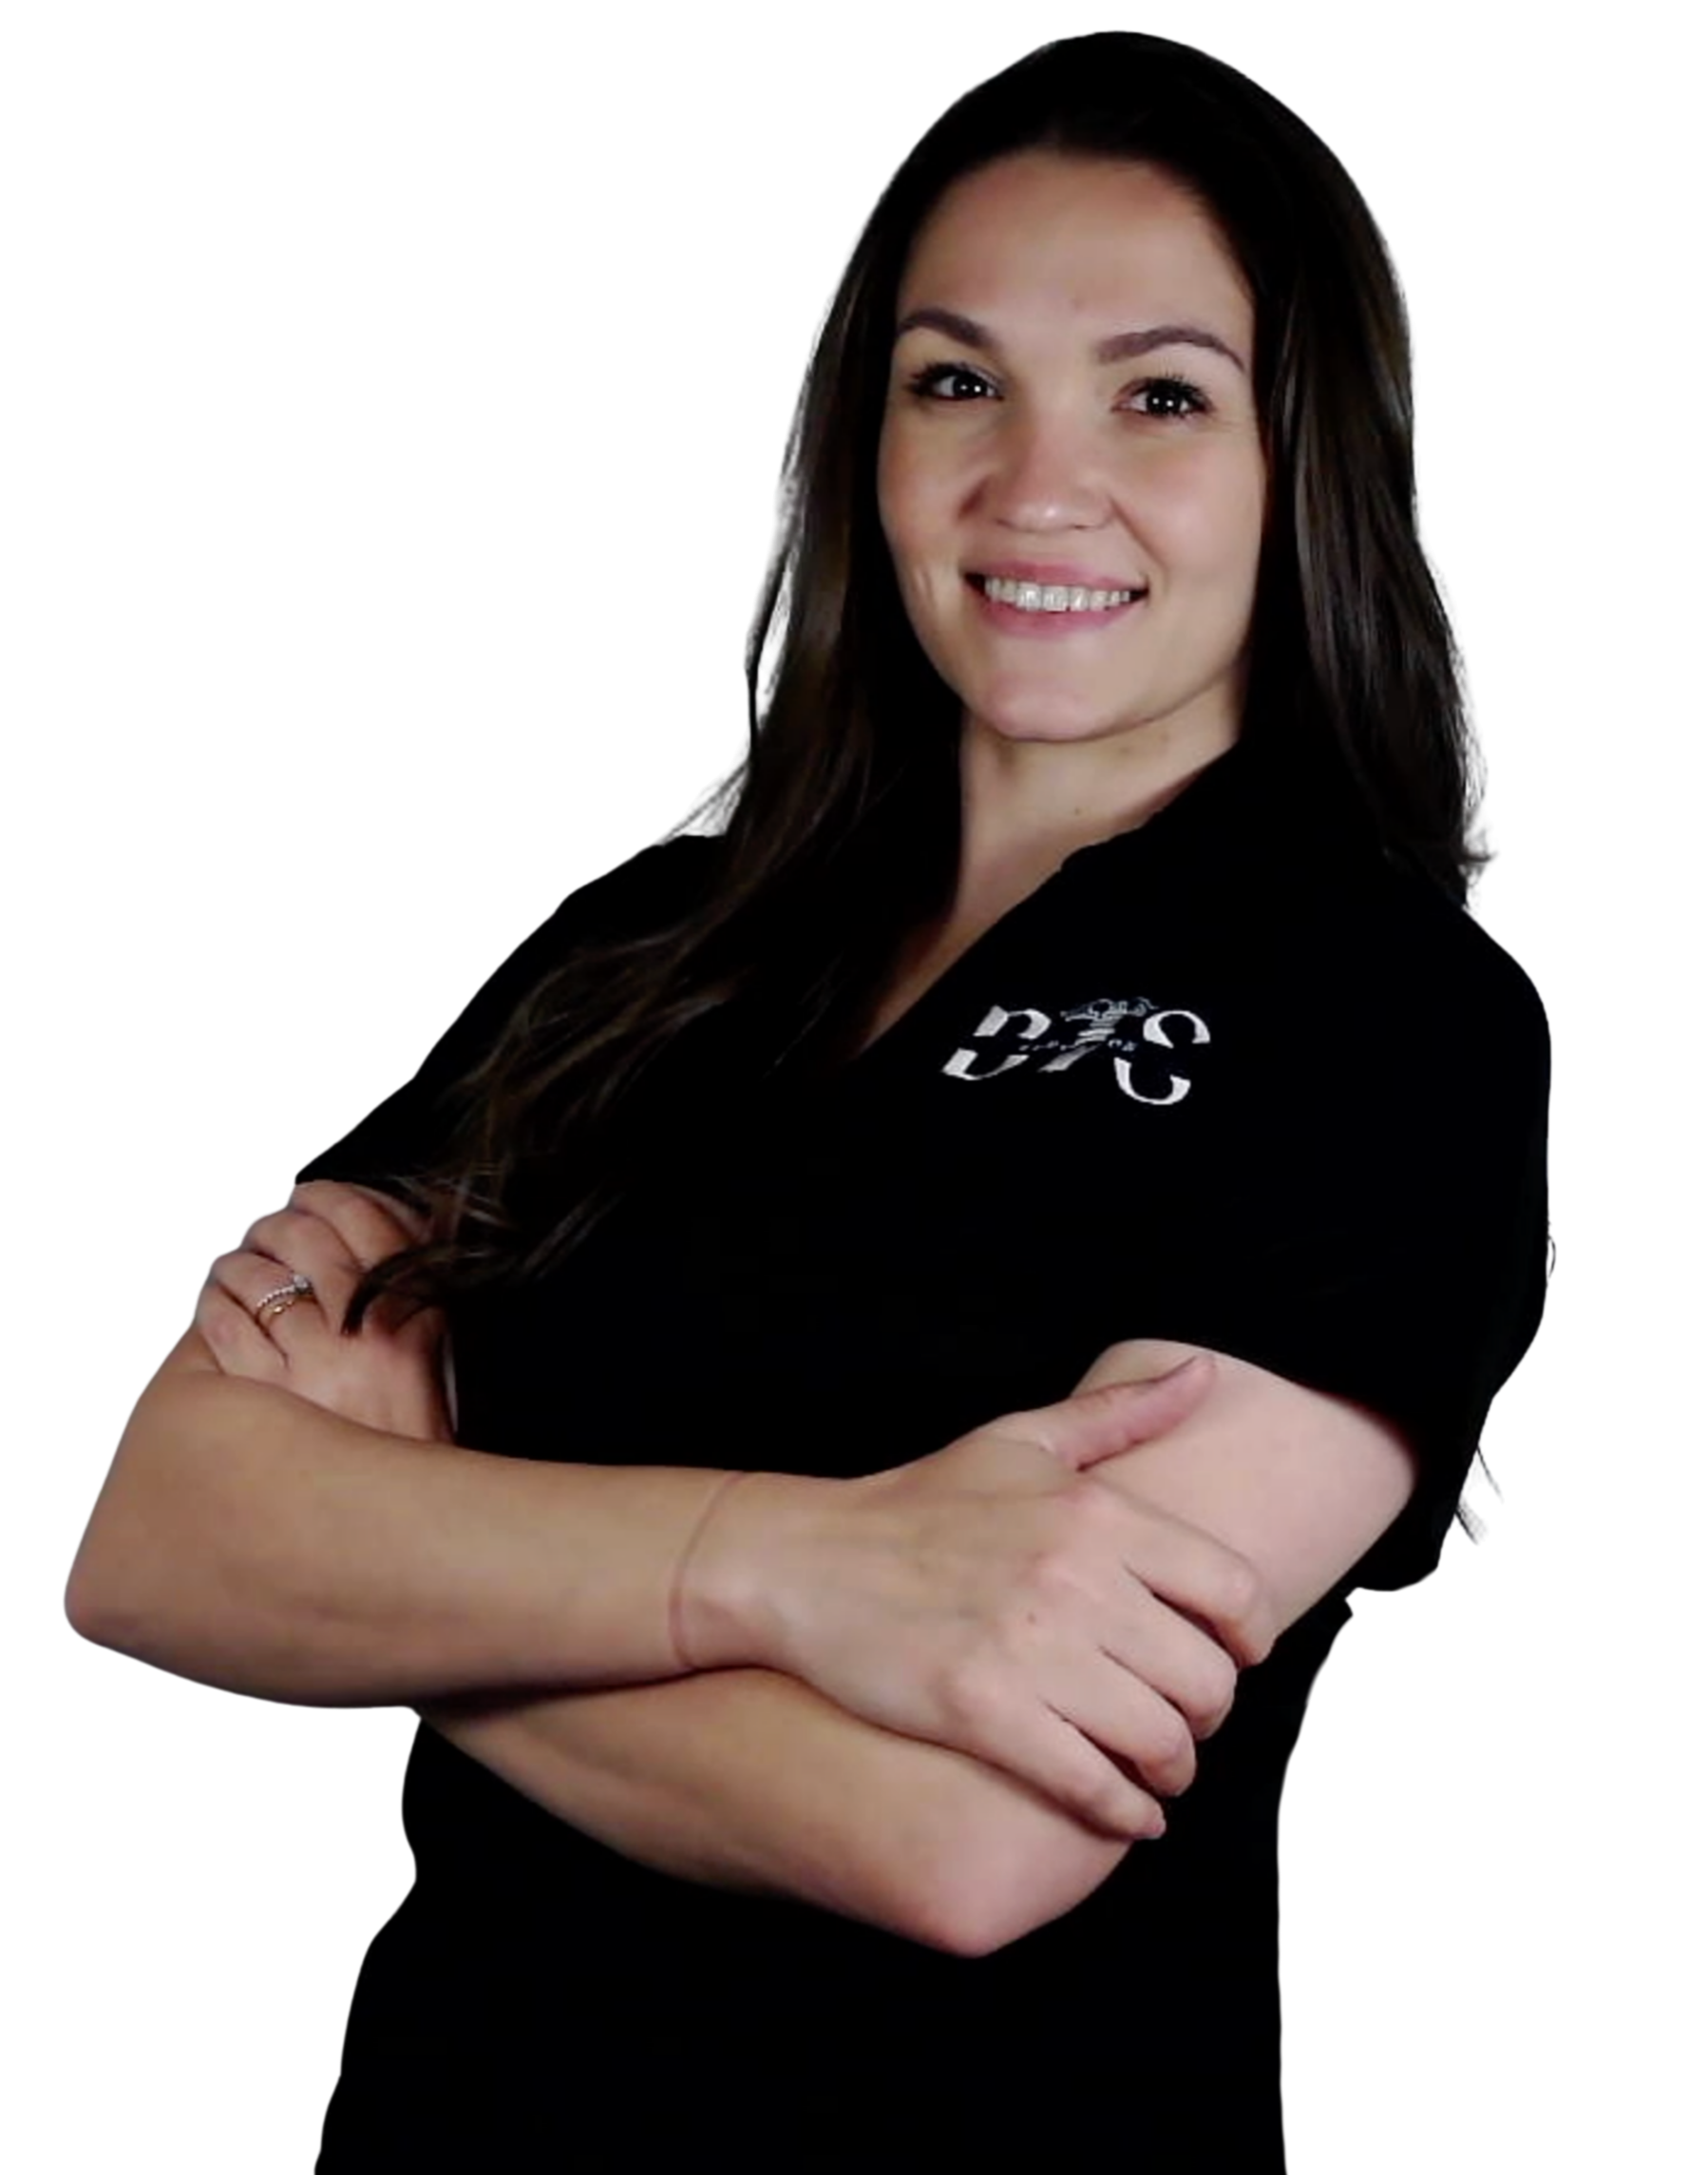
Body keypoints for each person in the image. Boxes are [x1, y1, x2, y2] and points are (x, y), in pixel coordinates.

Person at [65, 29, 1550, 2168]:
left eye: (1156, 395)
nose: (1031, 484)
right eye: (954, 382)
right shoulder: (647, 940)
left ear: (1303, 461)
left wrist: (393, 1563)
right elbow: (150, 1541)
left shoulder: (1390, 1016)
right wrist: (805, 1572)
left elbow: (958, 1836)